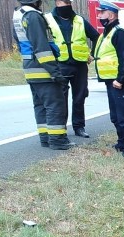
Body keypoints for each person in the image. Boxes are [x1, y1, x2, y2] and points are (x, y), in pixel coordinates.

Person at [13, 0, 75, 150]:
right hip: (42, 69)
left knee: (40, 105)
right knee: (55, 105)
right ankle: (58, 140)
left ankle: (45, 138)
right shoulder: (33, 16)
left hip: (30, 68)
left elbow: (19, 42)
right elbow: (42, 48)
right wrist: (55, 72)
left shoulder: (19, 14)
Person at [45, 0, 99, 139]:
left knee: (80, 97)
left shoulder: (79, 20)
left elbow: (95, 36)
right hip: (60, 65)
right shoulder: (48, 19)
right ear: (56, 3)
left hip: (80, 65)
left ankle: (79, 127)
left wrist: (92, 54)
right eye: (63, 3)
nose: (66, 6)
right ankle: (60, 128)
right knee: (60, 98)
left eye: (68, 3)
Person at [94, 0, 124, 158]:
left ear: (111, 14)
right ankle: (122, 143)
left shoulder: (120, 33)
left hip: (121, 82)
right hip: (110, 81)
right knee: (115, 116)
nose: (99, 15)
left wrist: (120, 79)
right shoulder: (105, 33)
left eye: (102, 12)